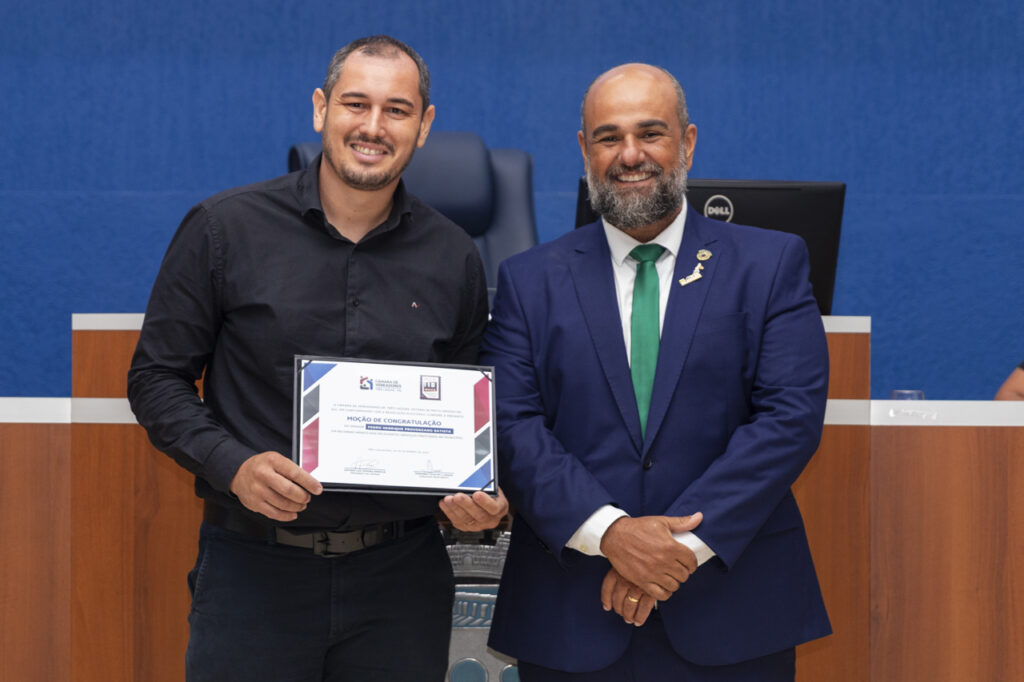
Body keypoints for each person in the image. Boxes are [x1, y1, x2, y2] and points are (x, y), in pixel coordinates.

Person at [127, 35, 507, 682]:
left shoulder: (453, 256)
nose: (373, 126)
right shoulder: (225, 228)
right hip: (255, 573)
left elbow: (477, 412)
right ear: (320, 109)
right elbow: (155, 379)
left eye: (397, 109)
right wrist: (234, 465)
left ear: (424, 126)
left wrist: (482, 493)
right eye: (356, 104)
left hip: (401, 581)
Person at [481, 63, 831, 681]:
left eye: (651, 133)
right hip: (570, 614)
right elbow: (512, 425)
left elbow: (788, 420)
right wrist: (612, 534)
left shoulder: (770, 263)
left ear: (688, 142)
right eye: (609, 137)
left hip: (733, 610)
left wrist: (674, 552)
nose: (630, 154)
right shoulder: (528, 279)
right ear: (585, 150)